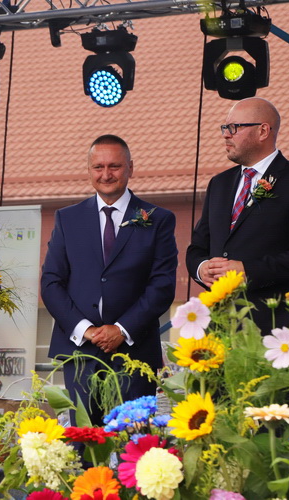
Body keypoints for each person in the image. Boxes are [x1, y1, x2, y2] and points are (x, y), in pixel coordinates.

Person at [41, 135, 178, 426]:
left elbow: (162, 286)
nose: (106, 174)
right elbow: (51, 283)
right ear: (89, 170)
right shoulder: (67, 219)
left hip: (134, 351)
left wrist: (121, 329)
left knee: (132, 438)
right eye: (98, 167)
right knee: (84, 440)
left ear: (130, 168)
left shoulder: (158, 219)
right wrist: (86, 330)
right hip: (80, 352)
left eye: (114, 166)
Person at [186, 97, 289, 346]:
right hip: (221, 333)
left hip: (275, 332)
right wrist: (202, 268)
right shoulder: (219, 184)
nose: (226, 135)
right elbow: (197, 248)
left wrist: (249, 271)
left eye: (234, 127)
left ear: (263, 131)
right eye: (224, 128)